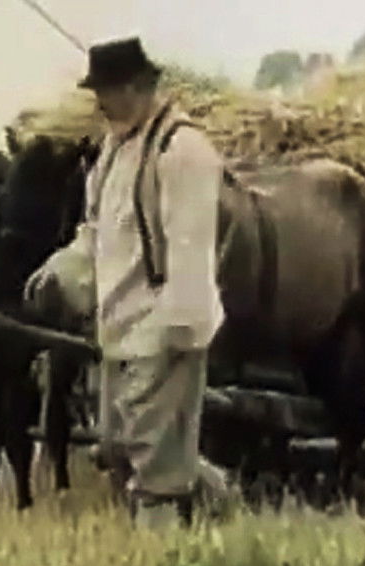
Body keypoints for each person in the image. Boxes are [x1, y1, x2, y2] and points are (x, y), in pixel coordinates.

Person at [25, 37, 225, 530]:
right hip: (117, 333)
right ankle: (216, 501)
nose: (99, 103)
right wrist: (58, 271)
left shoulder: (182, 151)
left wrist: (180, 333)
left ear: (140, 87)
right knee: (117, 450)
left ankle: (163, 553)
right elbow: (93, 235)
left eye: (107, 91)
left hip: (162, 331)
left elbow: (190, 248)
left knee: (153, 470)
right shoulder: (112, 152)